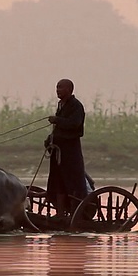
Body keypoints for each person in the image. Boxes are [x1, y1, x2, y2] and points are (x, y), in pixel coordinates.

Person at [44, 78, 88, 217]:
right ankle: (60, 213)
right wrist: (50, 139)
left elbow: (74, 124)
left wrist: (57, 120)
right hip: (58, 152)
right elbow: (59, 129)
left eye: (60, 87)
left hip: (70, 152)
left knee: (72, 181)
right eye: (57, 87)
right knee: (57, 181)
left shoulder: (76, 106)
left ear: (69, 90)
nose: (57, 90)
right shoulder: (61, 105)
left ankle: (76, 213)